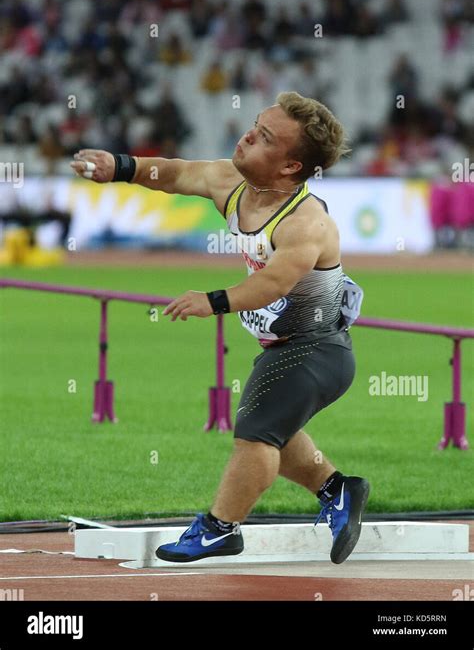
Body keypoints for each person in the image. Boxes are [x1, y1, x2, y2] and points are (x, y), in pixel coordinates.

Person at [70, 91, 370, 565]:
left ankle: (220, 528)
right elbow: (174, 173)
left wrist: (211, 302)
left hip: (317, 351)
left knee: (255, 434)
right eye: (256, 124)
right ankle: (340, 490)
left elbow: (274, 283)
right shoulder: (231, 182)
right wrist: (120, 167)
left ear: (291, 166)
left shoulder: (306, 223)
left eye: (265, 137)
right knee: (276, 427)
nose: (248, 134)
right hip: (284, 346)